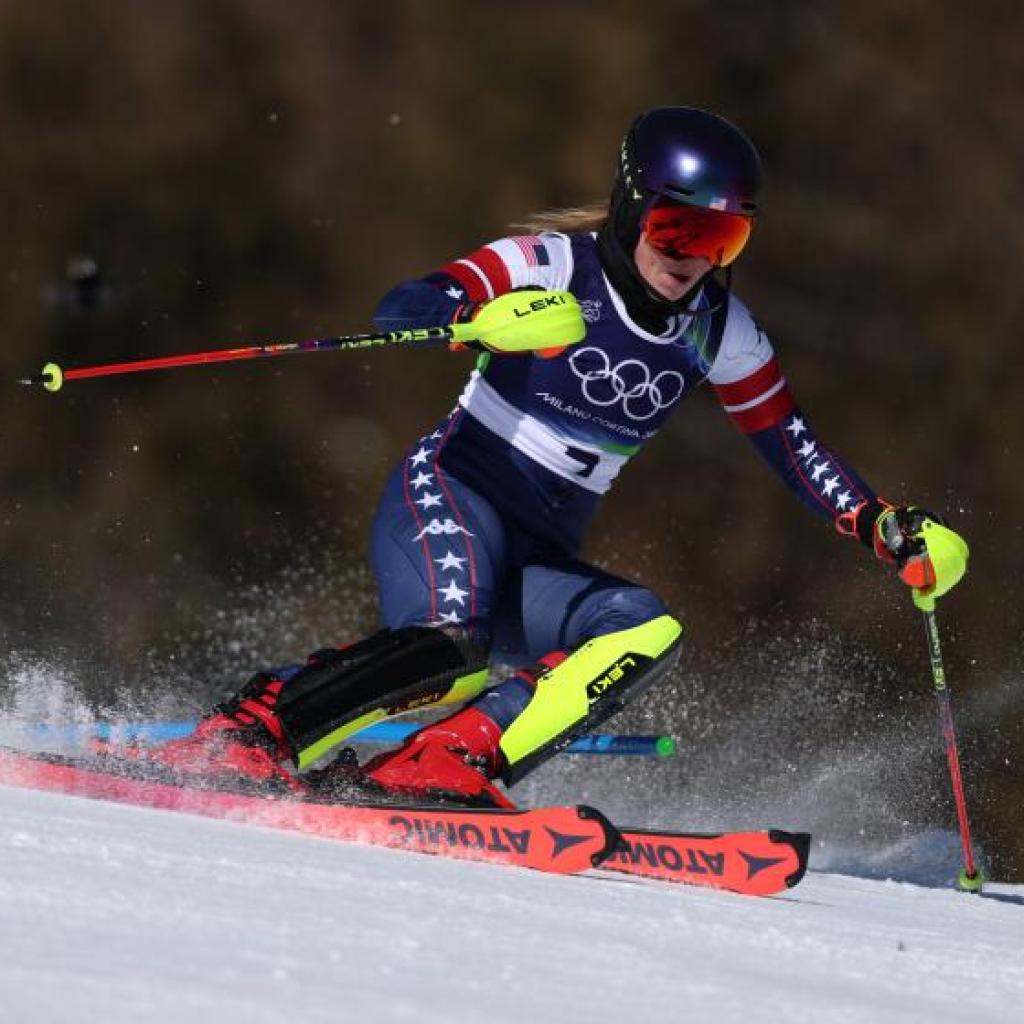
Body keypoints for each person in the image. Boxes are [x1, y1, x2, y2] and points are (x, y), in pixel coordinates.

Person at [148, 106, 968, 806]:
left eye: (723, 238)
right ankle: (254, 730)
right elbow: (406, 305)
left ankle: (442, 761)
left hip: (538, 551)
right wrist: (475, 320)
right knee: (452, 649)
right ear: (632, 206)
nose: (692, 258)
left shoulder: (721, 331)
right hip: (453, 493)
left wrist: (883, 525)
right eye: (676, 228)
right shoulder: (549, 264)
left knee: (643, 630)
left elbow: (791, 443)